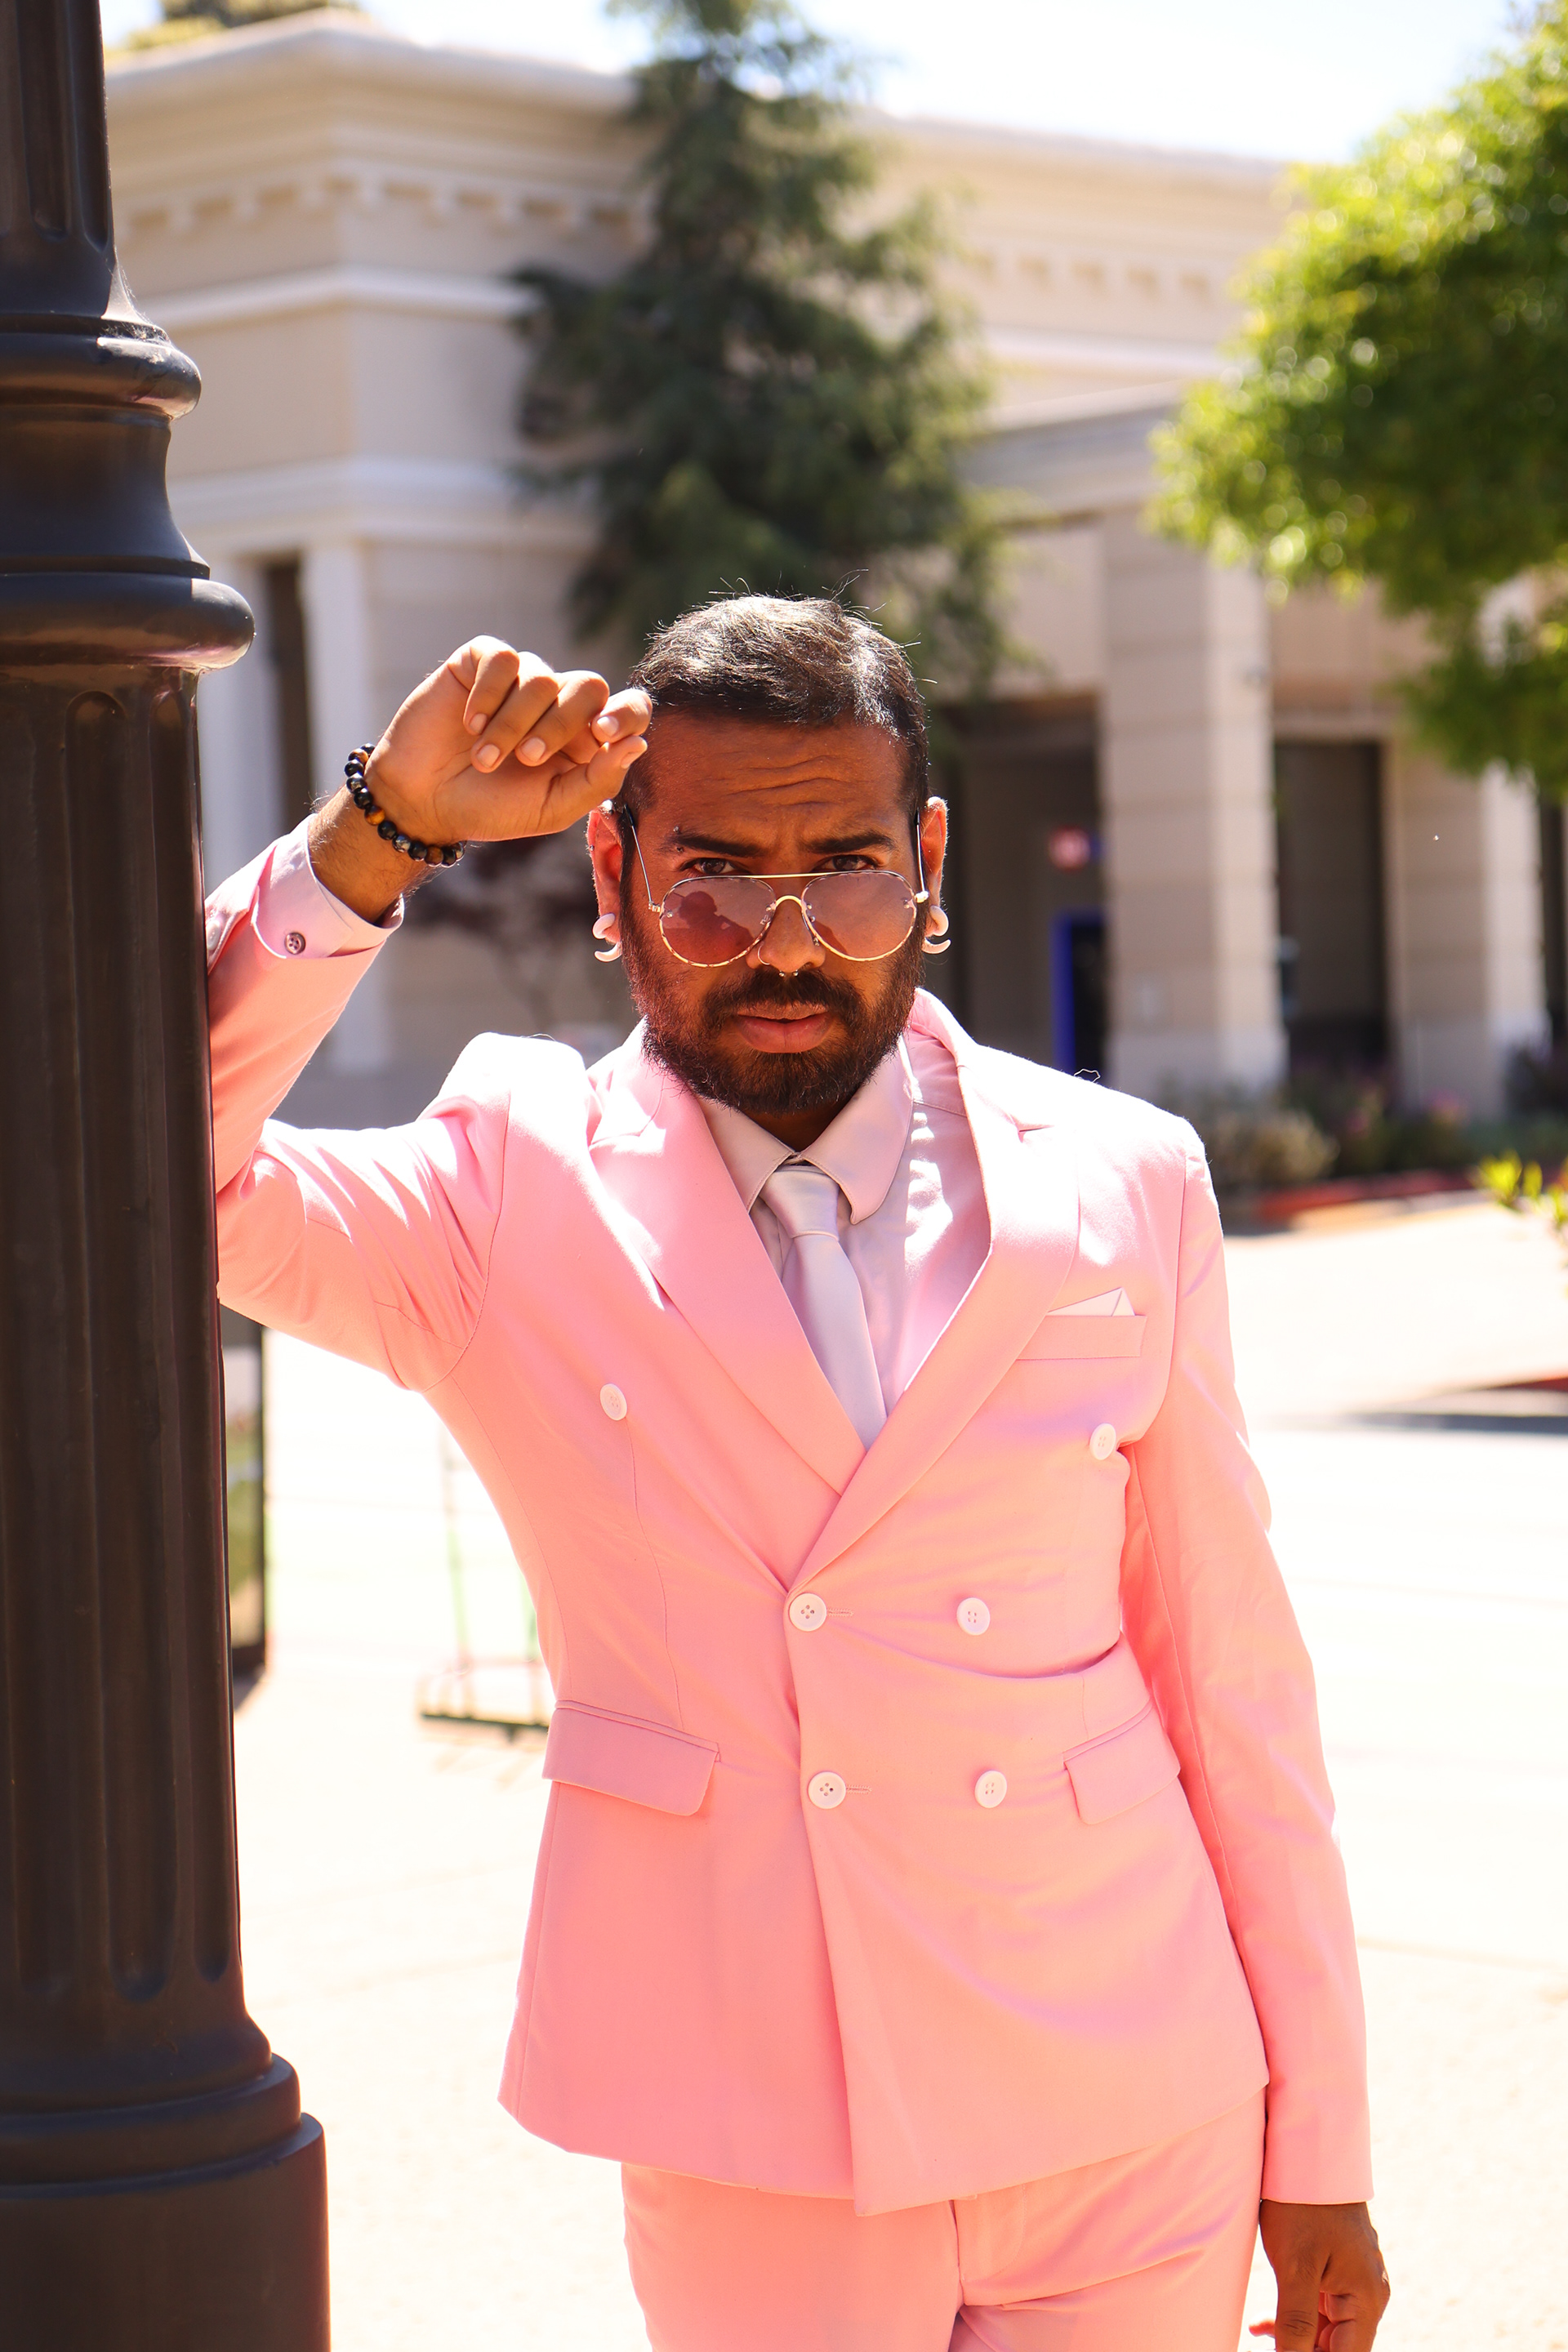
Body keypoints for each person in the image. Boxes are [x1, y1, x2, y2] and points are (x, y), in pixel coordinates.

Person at [205, 596, 1390, 2352]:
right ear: (612, 876)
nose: (783, 946)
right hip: (750, 2108)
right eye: (709, 884)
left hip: (1132, 2084)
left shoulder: (1122, 1177)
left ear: (928, 867)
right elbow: (141, 1151)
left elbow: (1234, 1686)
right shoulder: (505, 1189)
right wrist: (383, 832)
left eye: (845, 876)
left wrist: (1323, 2141)